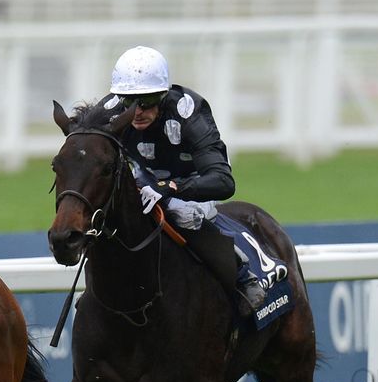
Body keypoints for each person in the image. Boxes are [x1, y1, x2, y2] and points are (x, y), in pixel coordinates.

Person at [103, 45, 266, 317]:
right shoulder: (109, 111)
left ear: (163, 95)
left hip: (188, 183)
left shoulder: (189, 112)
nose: (137, 112)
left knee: (183, 213)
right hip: (140, 179)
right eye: (129, 102)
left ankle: (242, 276)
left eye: (147, 100)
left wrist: (169, 189)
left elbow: (223, 181)